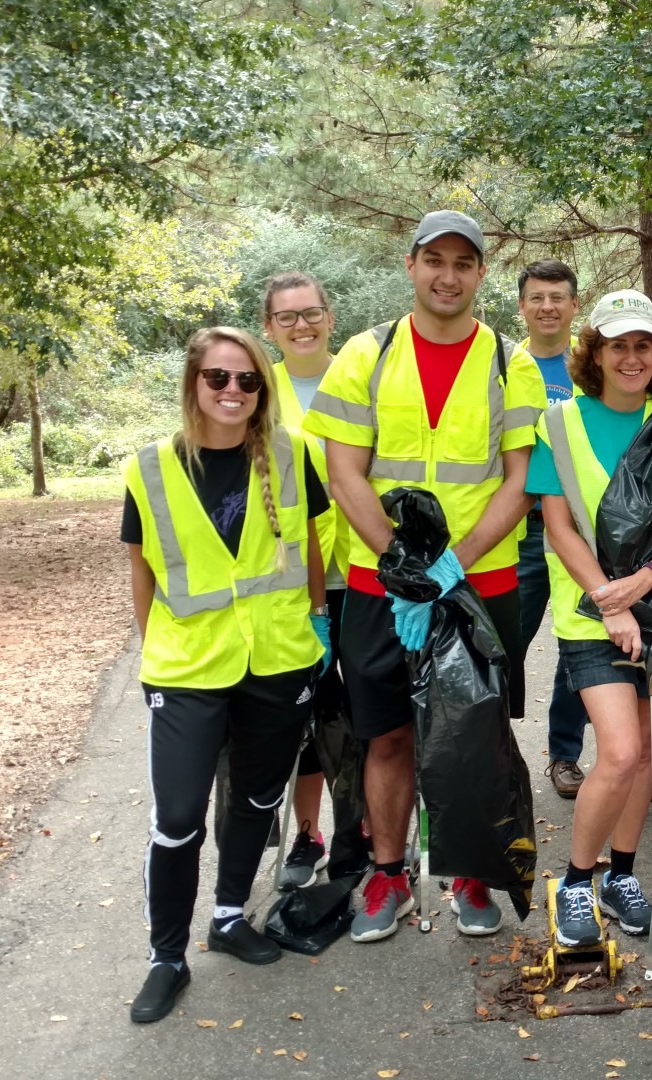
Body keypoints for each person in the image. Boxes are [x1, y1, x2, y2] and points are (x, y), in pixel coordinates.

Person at [302, 210, 542, 942]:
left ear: (480, 274)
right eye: (434, 260)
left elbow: (519, 481)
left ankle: (470, 870)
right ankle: (389, 876)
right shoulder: (364, 357)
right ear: (410, 266)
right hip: (381, 591)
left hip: (480, 587)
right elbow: (344, 473)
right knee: (388, 737)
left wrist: (450, 566)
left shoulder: (512, 362)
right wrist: (401, 565)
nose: (447, 275)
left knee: (474, 732)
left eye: (463, 263)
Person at [120, 326, 329, 1022]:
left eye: (247, 380)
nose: (233, 391)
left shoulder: (293, 456)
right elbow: (143, 571)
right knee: (178, 817)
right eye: (218, 378)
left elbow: (311, 549)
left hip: (278, 658)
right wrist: (154, 662)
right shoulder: (149, 468)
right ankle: (166, 958)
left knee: (257, 799)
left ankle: (231, 915)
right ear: (193, 383)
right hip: (188, 667)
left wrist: (318, 625)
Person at [528, 290, 652, 945]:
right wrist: (612, 598)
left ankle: (623, 876)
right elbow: (559, 526)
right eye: (619, 345)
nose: (632, 357)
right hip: (591, 617)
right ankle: (577, 882)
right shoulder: (559, 425)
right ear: (595, 353)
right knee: (624, 751)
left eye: (643, 345)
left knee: (643, 762)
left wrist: (645, 580)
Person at [259, 270, 368, 888]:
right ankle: (308, 834)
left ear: (330, 316)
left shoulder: (357, 374)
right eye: (286, 317)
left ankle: (373, 830)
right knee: (309, 713)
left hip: (361, 567)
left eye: (310, 313)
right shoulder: (256, 386)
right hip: (289, 576)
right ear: (269, 328)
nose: (300, 326)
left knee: (371, 711)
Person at [511, 259, 592, 800]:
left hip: (582, 530)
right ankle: (493, 751)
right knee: (502, 643)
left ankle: (564, 754)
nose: (547, 306)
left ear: (573, 305)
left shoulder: (593, 367)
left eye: (557, 297)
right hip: (518, 529)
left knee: (576, 646)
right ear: (522, 305)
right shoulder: (503, 365)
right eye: (537, 297)